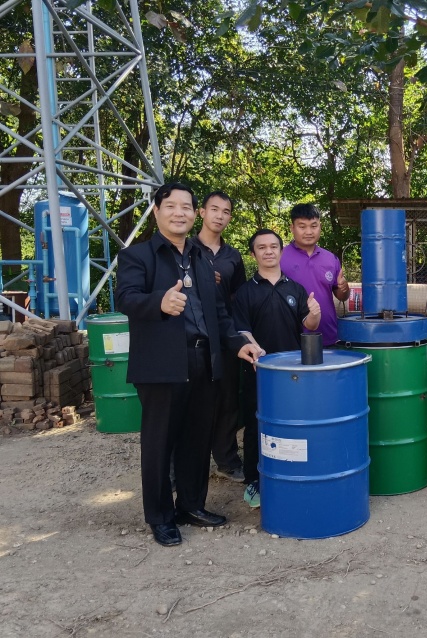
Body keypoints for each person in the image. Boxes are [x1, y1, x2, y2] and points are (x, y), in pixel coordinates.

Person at [116, 183, 262, 547]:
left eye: (185, 207)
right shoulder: (138, 256)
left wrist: (239, 344)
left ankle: (191, 506)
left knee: (197, 440)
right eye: (171, 206)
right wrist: (159, 303)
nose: (179, 212)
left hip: (204, 359)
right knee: (159, 443)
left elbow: (219, 313)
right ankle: (160, 517)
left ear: (194, 214)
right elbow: (126, 298)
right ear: (157, 211)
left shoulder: (201, 258)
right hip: (162, 364)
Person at [233, 229, 321, 508]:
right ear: (253, 254)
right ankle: (254, 479)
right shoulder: (244, 292)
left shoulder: (295, 289)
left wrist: (315, 314)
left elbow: (309, 326)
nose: (268, 251)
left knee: (293, 421)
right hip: (257, 370)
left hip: (292, 373)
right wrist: (257, 352)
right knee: (255, 423)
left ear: (281, 251)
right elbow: (242, 329)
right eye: (262, 247)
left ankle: (292, 472)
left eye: (273, 246)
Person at [190, 191, 247, 483]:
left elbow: (238, 296)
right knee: (189, 401)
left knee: (227, 399)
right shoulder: (185, 249)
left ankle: (226, 459)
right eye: (214, 209)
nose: (219, 216)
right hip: (192, 336)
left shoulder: (232, 256)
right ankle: (180, 465)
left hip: (224, 336)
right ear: (201, 212)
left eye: (225, 212)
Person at [280, 204, 349, 346]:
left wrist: (345, 288)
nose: (309, 232)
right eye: (302, 226)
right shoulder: (280, 257)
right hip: (291, 340)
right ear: (292, 228)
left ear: (320, 227)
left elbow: (341, 296)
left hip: (328, 337)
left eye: (313, 226)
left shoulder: (331, 259)